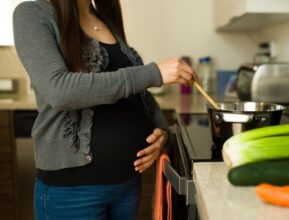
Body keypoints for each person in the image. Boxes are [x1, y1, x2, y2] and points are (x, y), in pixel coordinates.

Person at [13, 0, 197, 219]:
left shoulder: (106, 20)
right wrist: (153, 73)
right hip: (73, 193)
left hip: (128, 185)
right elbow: (59, 90)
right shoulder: (32, 13)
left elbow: (139, 92)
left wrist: (161, 130)